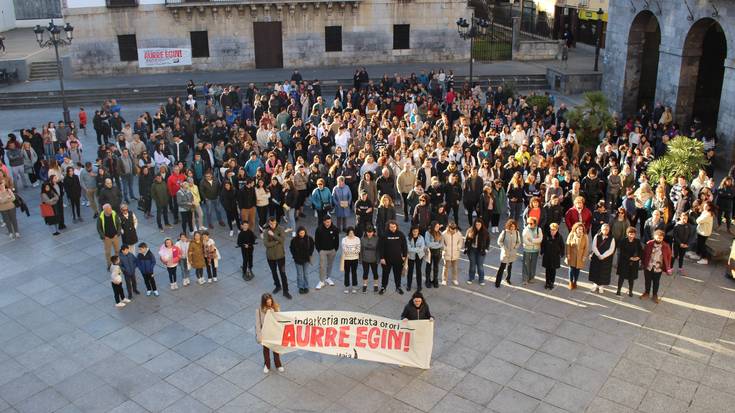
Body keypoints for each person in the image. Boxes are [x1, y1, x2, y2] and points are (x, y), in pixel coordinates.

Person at [255, 293, 285, 373]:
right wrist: (259, 336)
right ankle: (267, 365)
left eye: (270, 301)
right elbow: (258, 324)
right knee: (266, 349)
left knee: (275, 349)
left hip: (274, 332)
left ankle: (278, 364)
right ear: (264, 302)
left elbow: (280, 320)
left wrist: (273, 312)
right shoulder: (259, 311)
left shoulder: (276, 307)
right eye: (267, 302)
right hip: (265, 333)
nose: (269, 303)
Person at [641, 229, 673, 303]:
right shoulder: (649, 244)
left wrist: (668, 266)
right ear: (654, 236)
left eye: (661, 238)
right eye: (658, 237)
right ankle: (646, 292)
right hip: (648, 266)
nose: (659, 239)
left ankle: (655, 295)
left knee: (656, 282)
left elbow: (669, 256)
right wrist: (643, 263)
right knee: (647, 281)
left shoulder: (666, 246)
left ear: (663, 238)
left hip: (658, 268)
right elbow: (644, 254)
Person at [263, 217, 291, 299]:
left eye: (274, 223)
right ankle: (278, 285)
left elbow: (282, 240)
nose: (272, 225)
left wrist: (273, 235)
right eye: (271, 224)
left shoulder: (281, 229)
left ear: (276, 222)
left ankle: (286, 291)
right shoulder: (266, 231)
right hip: (270, 256)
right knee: (274, 272)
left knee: (283, 273)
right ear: (268, 223)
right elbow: (266, 244)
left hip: (280, 256)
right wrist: (276, 241)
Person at [378, 220, 408, 295]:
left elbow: (404, 246)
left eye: (394, 227)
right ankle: (383, 287)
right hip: (386, 259)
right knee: (385, 274)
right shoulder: (384, 235)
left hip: (398, 259)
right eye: (391, 227)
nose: (393, 228)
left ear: (396, 226)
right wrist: (381, 258)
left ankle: (398, 287)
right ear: (388, 227)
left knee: (397, 274)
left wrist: (404, 256)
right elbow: (380, 247)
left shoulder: (400, 234)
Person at [589, 223, 616, 294]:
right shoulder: (597, 236)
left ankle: (601, 286)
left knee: (604, 272)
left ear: (609, 230)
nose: (605, 231)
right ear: (601, 229)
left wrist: (603, 256)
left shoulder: (612, 238)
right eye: (604, 229)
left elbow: (611, 249)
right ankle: (595, 284)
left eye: (607, 229)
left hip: (606, 258)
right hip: (596, 257)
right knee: (595, 271)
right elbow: (593, 246)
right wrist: (598, 255)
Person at [616, 227, 643, 297]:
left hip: (634, 263)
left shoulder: (637, 241)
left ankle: (630, 291)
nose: (631, 236)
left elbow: (641, 251)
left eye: (633, 234)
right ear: (627, 234)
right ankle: (618, 290)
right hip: (624, 262)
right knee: (621, 277)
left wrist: (638, 257)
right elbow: (621, 252)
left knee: (631, 278)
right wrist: (629, 257)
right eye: (630, 234)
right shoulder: (623, 241)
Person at [314, 215, 339, 290]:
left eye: (330, 221)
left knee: (330, 265)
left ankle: (328, 278)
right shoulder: (319, 229)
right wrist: (319, 250)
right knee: (322, 266)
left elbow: (337, 239)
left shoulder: (334, 229)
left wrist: (335, 249)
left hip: (332, 250)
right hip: (323, 251)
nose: (329, 223)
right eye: (327, 222)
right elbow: (316, 240)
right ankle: (322, 281)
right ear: (324, 222)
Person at [495, 219, 521, 288]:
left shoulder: (517, 233)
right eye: (511, 226)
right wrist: (503, 247)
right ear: (508, 226)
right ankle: (497, 282)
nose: (512, 228)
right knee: (502, 267)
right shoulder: (504, 232)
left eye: (514, 226)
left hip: (512, 253)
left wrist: (515, 247)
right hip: (505, 253)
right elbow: (499, 241)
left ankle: (508, 279)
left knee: (510, 267)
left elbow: (519, 242)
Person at [290, 226, 315, 294]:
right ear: (298, 233)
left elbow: (312, 246)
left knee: (306, 274)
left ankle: (306, 286)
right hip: (298, 260)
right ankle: (300, 287)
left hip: (306, 259)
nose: (302, 234)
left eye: (303, 233)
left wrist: (310, 254)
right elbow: (292, 249)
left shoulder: (309, 239)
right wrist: (295, 257)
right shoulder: (294, 240)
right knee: (299, 274)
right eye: (300, 233)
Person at [465, 218, 490, 285]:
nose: (477, 226)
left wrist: (486, 249)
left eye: (479, 224)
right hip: (472, 250)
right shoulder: (470, 230)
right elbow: (466, 240)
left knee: (480, 265)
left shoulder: (485, 232)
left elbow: (488, 241)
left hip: (481, 250)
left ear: (482, 224)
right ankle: (471, 278)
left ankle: (481, 279)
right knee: (472, 265)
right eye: (476, 224)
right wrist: (466, 247)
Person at [97, 204, 122, 269]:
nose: (111, 210)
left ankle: (117, 263)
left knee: (117, 251)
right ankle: (109, 265)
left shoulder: (114, 213)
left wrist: (118, 234)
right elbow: (98, 228)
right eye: (109, 209)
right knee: (108, 252)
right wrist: (103, 236)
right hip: (107, 238)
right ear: (105, 210)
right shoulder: (101, 216)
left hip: (115, 236)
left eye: (110, 208)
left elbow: (119, 224)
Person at [541, 223, 565, 290]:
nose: (552, 231)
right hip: (547, 256)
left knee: (553, 270)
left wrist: (561, 253)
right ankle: (547, 282)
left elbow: (562, 246)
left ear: (557, 230)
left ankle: (551, 282)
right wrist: (542, 251)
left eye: (554, 230)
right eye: (551, 229)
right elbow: (543, 244)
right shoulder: (546, 236)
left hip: (555, 257)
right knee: (547, 270)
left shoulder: (559, 237)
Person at [565, 222, 588, 289]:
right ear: (575, 229)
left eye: (581, 229)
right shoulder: (571, 234)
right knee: (571, 269)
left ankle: (575, 281)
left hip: (580, 256)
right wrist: (568, 254)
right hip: (572, 256)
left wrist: (584, 256)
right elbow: (568, 245)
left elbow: (586, 247)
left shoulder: (585, 236)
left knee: (577, 270)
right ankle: (570, 282)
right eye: (579, 229)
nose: (580, 230)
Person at [521, 216, 543, 285]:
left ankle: (531, 277)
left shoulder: (538, 229)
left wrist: (532, 240)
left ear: (535, 223)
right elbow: (525, 241)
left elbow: (540, 239)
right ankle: (525, 278)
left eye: (531, 223)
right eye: (528, 223)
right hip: (527, 249)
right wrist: (535, 242)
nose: (529, 224)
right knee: (526, 264)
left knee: (533, 264)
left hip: (535, 250)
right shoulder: (525, 230)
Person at [441, 221, 463, 286]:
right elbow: (442, 242)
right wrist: (445, 248)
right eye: (452, 229)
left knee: (455, 267)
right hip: (447, 253)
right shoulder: (444, 234)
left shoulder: (458, 233)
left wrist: (458, 248)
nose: (453, 230)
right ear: (449, 227)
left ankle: (454, 279)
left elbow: (460, 241)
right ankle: (444, 280)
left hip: (455, 253)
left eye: (454, 229)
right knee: (446, 267)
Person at [340, 227, 361, 294]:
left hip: (355, 259)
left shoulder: (357, 239)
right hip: (347, 259)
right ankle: (346, 286)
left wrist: (350, 250)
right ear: (347, 233)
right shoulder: (344, 239)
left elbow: (358, 250)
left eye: (352, 233)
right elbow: (344, 249)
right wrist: (353, 250)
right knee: (347, 273)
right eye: (350, 233)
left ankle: (354, 287)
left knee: (354, 272)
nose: (351, 234)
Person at [360, 225, 380, 293]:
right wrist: (360, 259)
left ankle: (376, 285)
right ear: (366, 232)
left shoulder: (377, 239)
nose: (369, 233)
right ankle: (365, 285)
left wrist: (378, 259)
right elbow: (361, 249)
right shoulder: (362, 239)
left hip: (374, 260)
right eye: (368, 232)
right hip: (365, 259)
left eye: (371, 232)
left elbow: (378, 250)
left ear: (373, 232)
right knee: (365, 273)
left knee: (375, 273)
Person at [424, 221, 443, 288]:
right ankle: (427, 281)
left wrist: (434, 244)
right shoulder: (427, 233)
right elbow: (428, 244)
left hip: (437, 253)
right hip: (429, 252)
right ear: (433, 226)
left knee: (436, 267)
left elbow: (441, 244)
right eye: (436, 226)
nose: (438, 228)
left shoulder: (440, 233)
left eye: (438, 226)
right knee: (428, 267)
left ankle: (435, 281)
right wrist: (436, 243)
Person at [406, 225, 426, 291]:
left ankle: (419, 286)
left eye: (416, 231)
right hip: (411, 256)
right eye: (414, 231)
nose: (415, 233)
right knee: (410, 271)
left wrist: (414, 249)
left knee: (418, 271)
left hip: (419, 256)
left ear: (418, 232)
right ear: (411, 231)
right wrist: (417, 248)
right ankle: (408, 285)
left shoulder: (421, 238)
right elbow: (408, 249)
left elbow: (422, 248)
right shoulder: (408, 238)